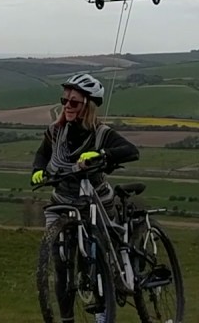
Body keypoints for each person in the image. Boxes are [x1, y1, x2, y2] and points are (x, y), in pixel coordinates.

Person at [31, 73, 140, 323]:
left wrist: (102, 155)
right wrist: (37, 171)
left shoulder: (101, 133)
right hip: (62, 201)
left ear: (88, 106)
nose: (67, 106)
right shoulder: (55, 132)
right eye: (65, 100)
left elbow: (131, 152)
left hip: (96, 201)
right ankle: (67, 319)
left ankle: (103, 313)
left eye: (74, 102)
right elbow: (42, 155)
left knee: (95, 257)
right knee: (61, 264)